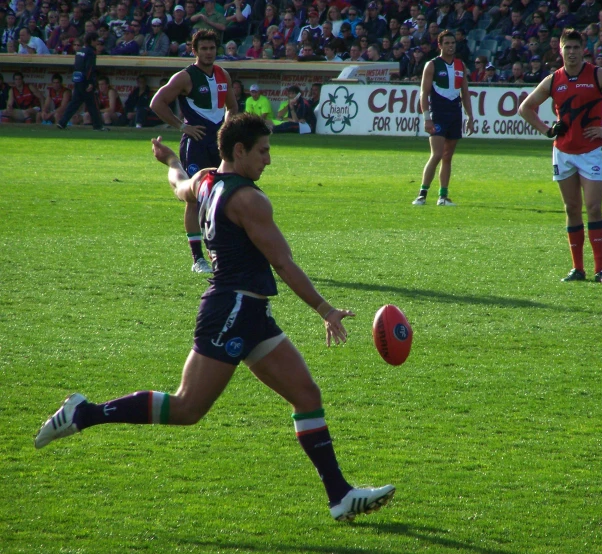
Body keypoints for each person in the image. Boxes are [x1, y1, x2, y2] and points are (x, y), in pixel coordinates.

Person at [34, 113, 396, 523]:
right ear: (239, 151)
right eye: (263, 151)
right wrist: (325, 310)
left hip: (250, 311)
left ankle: (340, 497)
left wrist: (170, 159)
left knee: (306, 396)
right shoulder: (250, 200)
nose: (269, 161)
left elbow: (177, 186)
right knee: (187, 408)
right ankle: (85, 413)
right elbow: (283, 262)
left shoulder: (205, 179)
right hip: (233, 309)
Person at [518, 28, 602, 284]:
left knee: (594, 208)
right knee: (571, 208)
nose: (571, 53)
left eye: (576, 48)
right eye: (567, 48)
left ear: (583, 50)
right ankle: (577, 269)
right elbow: (525, 108)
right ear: (560, 50)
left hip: (591, 152)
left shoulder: (598, 75)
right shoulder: (554, 79)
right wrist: (547, 130)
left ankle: (601, 269)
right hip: (563, 152)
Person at [150, 29, 238, 274]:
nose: (209, 52)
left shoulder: (223, 75)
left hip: (219, 145)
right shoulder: (185, 77)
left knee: (224, 194)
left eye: (212, 48)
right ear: (194, 51)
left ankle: (221, 253)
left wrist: (227, 130)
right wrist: (182, 126)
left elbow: (232, 106)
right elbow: (157, 103)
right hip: (196, 143)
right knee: (194, 197)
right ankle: (198, 259)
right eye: (204, 49)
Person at [412, 30, 474, 207]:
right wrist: (426, 117)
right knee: (437, 154)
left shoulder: (460, 65)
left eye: (452, 43)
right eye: (446, 43)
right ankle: (422, 194)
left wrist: (470, 116)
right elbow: (423, 93)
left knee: (447, 156)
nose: (450, 46)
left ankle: (443, 196)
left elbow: (465, 93)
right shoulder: (432, 65)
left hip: (455, 114)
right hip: (438, 114)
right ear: (440, 45)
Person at [55, 33, 106, 131]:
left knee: (74, 103)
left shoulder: (80, 51)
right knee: (93, 104)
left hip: (78, 80)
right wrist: (90, 82)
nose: (97, 43)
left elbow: (77, 66)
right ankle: (98, 126)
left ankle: (62, 122)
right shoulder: (91, 52)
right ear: (92, 41)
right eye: (96, 41)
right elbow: (90, 68)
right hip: (86, 82)